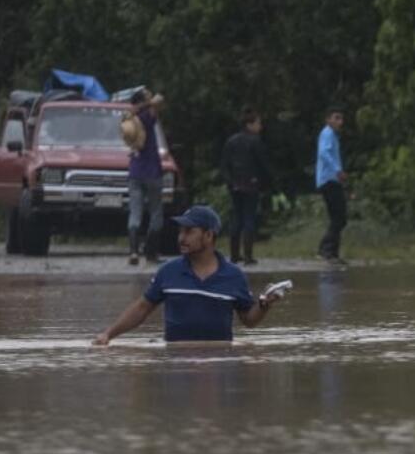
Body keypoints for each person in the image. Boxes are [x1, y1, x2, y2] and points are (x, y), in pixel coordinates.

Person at [92, 205, 284, 345]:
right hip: (175, 360)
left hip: (218, 361)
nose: (181, 238)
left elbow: (249, 320)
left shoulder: (233, 276)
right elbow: (142, 308)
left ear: (209, 236)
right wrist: (108, 335)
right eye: (180, 232)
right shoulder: (169, 271)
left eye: (189, 231)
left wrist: (264, 303)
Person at [220, 107, 273, 265]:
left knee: (237, 216)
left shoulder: (231, 141)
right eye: (258, 123)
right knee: (249, 217)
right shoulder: (255, 141)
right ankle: (248, 255)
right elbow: (263, 164)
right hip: (251, 183)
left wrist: (230, 181)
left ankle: (234, 254)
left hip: (235, 184)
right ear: (249, 125)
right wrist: (266, 181)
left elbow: (224, 164)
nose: (260, 127)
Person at [125, 90, 165, 266]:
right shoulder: (148, 117)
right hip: (152, 171)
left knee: (135, 213)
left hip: (134, 170)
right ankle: (151, 253)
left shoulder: (128, 119)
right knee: (156, 212)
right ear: (143, 101)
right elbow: (158, 103)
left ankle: (133, 251)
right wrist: (151, 101)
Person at [316, 106, 348, 265]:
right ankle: (326, 250)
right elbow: (324, 153)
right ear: (328, 119)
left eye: (341, 118)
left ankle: (332, 252)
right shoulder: (327, 133)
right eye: (336, 118)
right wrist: (337, 170)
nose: (339, 122)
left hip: (332, 180)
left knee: (339, 217)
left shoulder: (332, 135)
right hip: (328, 180)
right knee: (339, 217)